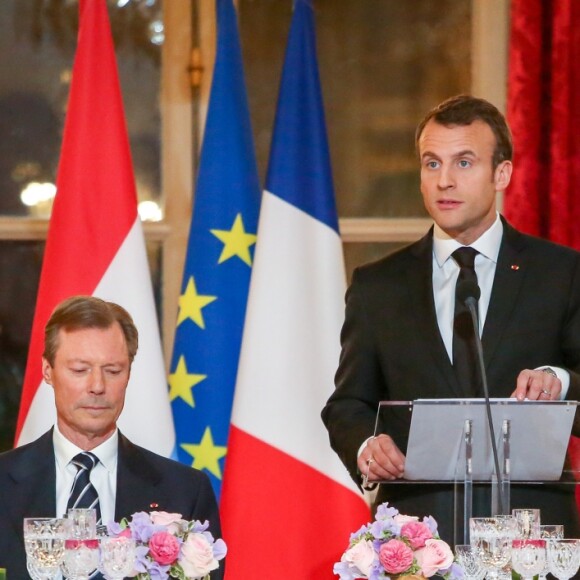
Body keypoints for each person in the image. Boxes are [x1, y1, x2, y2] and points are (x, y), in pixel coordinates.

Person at [322, 94, 580, 543]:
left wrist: (559, 380)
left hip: (530, 539)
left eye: (463, 163)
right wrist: (368, 446)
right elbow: (347, 404)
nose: (444, 181)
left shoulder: (561, 273)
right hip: (418, 542)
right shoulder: (378, 285)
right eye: (431, 163)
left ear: (502, 173)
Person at [0, 295, 223, 578]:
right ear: (48, 371)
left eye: (113, 371)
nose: (97, 386)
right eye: (80, 370)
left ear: (128, 374)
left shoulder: (185, 491)